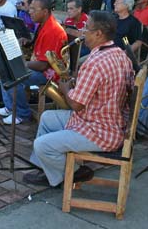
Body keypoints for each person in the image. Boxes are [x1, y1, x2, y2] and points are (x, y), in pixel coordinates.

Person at [22, 11, 134, 187]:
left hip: (99, 130)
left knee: (42, 145)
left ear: (98, 33)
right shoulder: (121, 54)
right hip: (110, 121)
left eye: (86, 28)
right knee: (46, 118)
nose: (82, 31)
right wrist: (76, 83)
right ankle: (47, 170)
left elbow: (76, 105)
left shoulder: (94, 62)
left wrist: (66, 88)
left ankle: (74, 173)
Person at [0, 0, 67, 124]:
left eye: (34, 9)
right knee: (5, 69)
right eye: (30, 8)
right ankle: (10, 108)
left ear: (45, 12)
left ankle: (22, 113)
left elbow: (44, 65)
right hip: (40, 66)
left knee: (14, 76)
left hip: (49, 73)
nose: (29, 11)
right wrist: (29, 42)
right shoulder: (43, 23)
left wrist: (23, 64)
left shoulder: (53, 30)